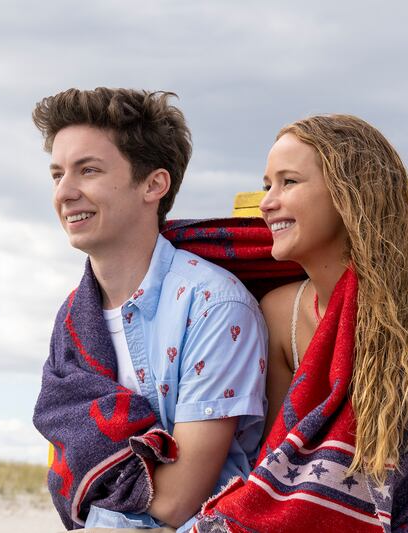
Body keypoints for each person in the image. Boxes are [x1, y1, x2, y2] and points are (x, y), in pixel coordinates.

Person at [193, 114, 408, 532]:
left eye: (289, 182)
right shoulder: (278, 311)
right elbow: (280, 464)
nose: (267, 202)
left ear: (350, 194)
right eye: (266, 184)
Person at [31, 88, 268, 532]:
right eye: (58, 174)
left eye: (89, 171)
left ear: (154, 184)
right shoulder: (73, 321)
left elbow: (176, 502)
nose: (65, 192)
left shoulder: (213, 305)